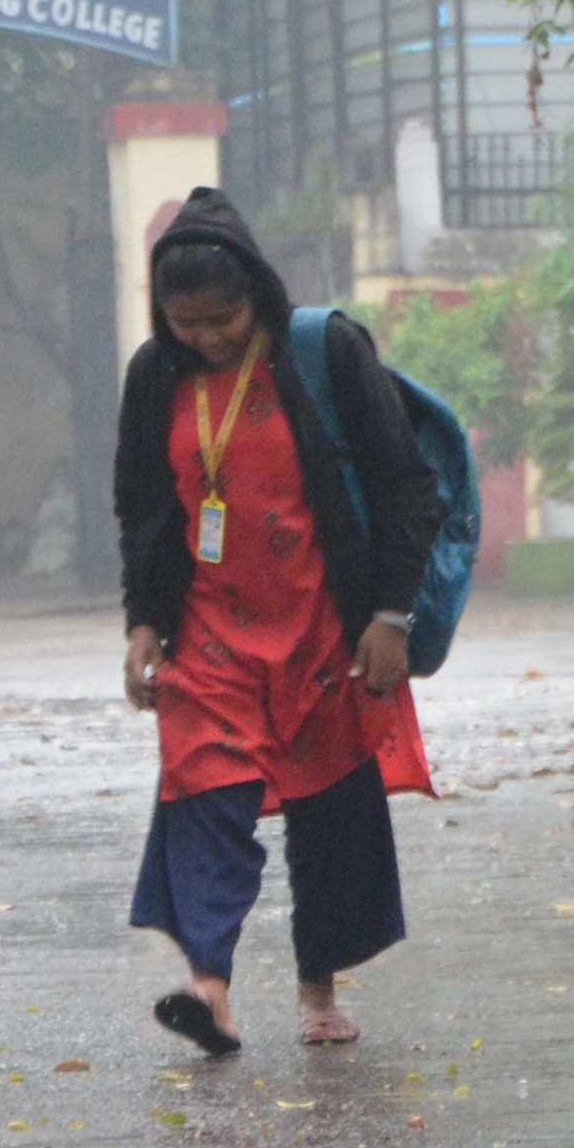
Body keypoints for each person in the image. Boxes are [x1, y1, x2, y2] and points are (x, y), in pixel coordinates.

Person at [116, 193, 443, 1057]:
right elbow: (143, 509)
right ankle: (210, 990)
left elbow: (405, 486)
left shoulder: (321, 351)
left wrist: (388, 615)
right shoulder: (156, 374)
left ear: (256, 294)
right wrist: (143, 624)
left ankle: (316, 992)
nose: (207, 338)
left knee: (329, 808)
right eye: (186, 323)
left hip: (320, 625)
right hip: (210, 629)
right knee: (202, 792)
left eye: (221, 318)